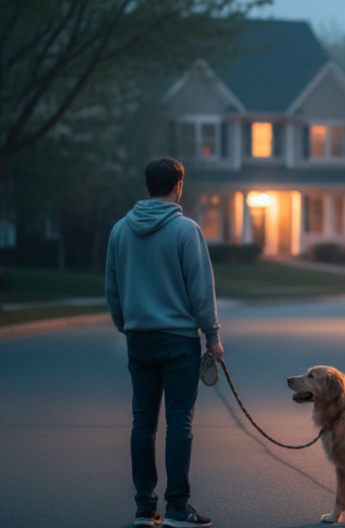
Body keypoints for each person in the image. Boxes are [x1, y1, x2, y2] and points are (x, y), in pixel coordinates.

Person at [106, 157, 223, 528]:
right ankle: (176, 508)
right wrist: (213, 336)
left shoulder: (120, 230)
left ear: (148, 186)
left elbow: (112, 288)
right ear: (178, 186)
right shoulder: (186, 231)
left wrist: (126, 325)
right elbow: (201, 290)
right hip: (178, 339)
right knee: (178, 424)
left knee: (143, 423)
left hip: (138, 338)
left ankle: (144, 509)